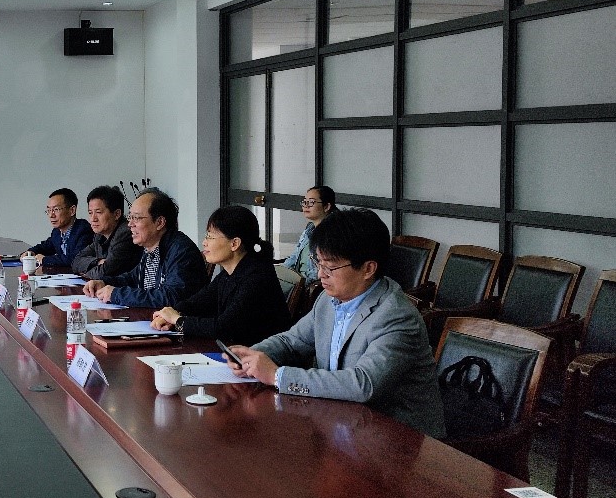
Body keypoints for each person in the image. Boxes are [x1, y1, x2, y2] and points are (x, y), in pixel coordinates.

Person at [224, 208, 445, 438]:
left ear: (368, 268)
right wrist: (252, 356)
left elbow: (363, 384)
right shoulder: (329, 299)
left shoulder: (395, 316)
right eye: (318, 263)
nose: (321, 274)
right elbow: (292, 341)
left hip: (399, 439)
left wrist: (277, 376)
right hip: (341, 425)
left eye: (330, 267)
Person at [150, 205, 291, 346]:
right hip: (235, 350)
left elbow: (223, 328)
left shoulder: (257, 277)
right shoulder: (229, 273)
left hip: (260, 355)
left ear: (234, 243)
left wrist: (177, 320)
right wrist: (171, 313)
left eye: (210, 237)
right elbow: (199, 302)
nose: (204, 243)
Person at [82, 188, 208, 308]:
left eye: (136, 218)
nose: (130, 224)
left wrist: (116, 294)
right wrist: (104, 282)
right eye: (130, 217)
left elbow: (171, 297)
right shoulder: (151, 247)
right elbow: (133, 278)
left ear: (159, 222)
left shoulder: (181, 251)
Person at [71, 185, 143, 280]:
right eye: (90, 213)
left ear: (117, 214)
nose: (93, 219)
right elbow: (76, 261)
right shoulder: (99, 235)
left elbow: (104, 274)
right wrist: (98, 262)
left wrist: (86, 273)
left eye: (98, 212)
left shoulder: (126, 233)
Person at [25, 188, 93, 268]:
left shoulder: (84, 230)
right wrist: (30, 252)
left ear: (72, 210)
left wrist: (44, 259)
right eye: (49, 210)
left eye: (56, 209)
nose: (51, 215)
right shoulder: (56, 232)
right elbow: (45, 247)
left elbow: (76, 259)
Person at [281, 185, 337, 281]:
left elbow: (321, 270)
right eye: (304, 202)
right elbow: (294, 256)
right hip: (296, 280)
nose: (306, 206)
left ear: (326, 206)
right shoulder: (310, 228)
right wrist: (281, 273)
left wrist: (297, 281)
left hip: (310, 283)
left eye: (311, 202)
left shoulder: (333, 233)